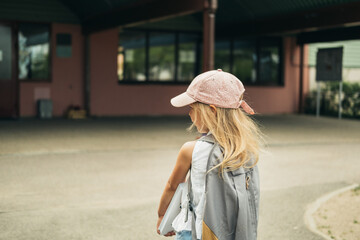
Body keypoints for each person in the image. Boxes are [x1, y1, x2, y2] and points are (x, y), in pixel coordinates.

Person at [156, 69, 265, 240]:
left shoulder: (191, 150)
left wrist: (162, 215)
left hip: (194, 232)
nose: (189, 113)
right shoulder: (246, 150)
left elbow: (172, 185)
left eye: (192, 108)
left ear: (212, 111)